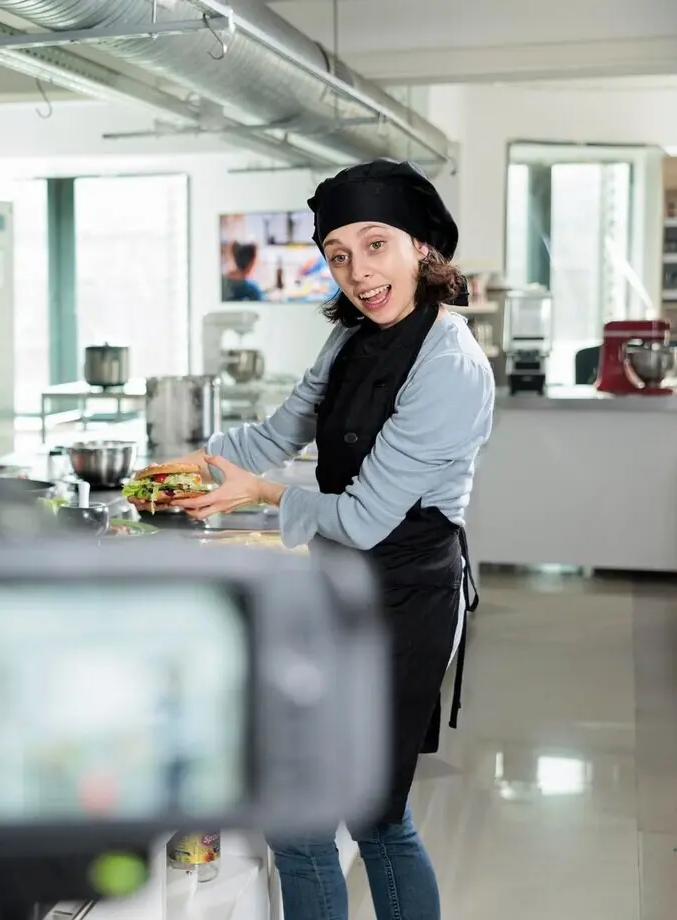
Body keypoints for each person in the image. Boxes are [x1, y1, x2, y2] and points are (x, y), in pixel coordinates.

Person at [172, 159, 493, 920]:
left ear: (421, 247)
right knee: (308, 817)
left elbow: (362, 518)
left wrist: (261, 493)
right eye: (339, 254)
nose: (357, 271)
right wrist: (196, 464)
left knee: (370, 820)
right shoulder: (349, 337)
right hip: (337, 594)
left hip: (405, 603)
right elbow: (276, 434)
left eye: (375, 245)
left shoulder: (451, 364)